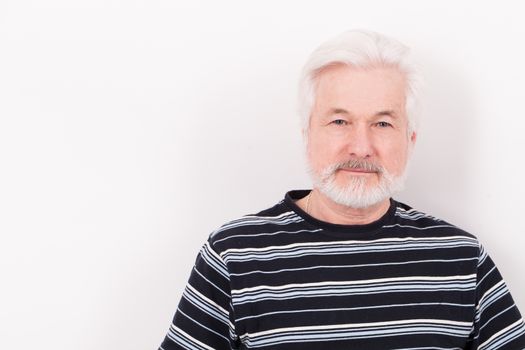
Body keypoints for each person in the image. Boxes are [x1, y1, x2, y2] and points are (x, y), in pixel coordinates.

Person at [158, 30, 525, 349]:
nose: (360, 146)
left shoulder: (460, 259)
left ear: (410, 140)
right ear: (307, 135)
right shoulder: (233, 255)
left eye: (382, 123)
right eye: (339, 121)